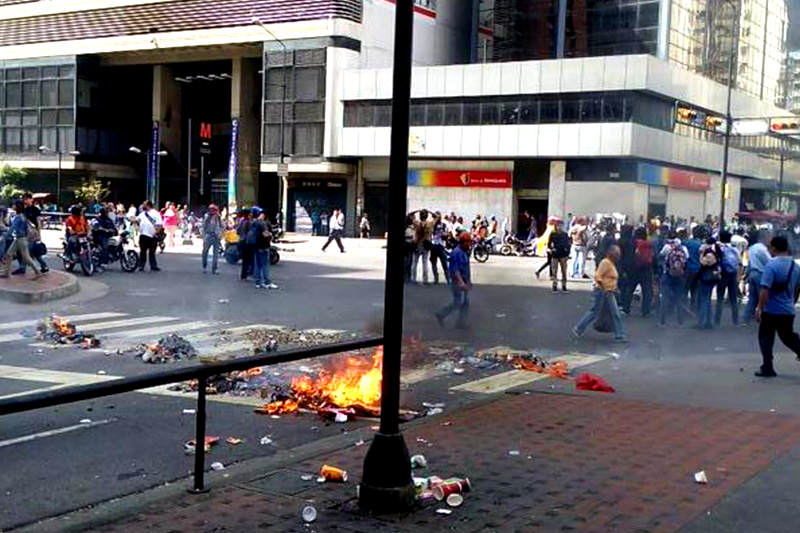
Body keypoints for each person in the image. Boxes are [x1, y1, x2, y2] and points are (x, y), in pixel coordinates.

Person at [754, 236, 800, 378]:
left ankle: (767, 367)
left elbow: (765, 290)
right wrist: (791, 303)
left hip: (771, 310)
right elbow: (798, 288)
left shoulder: (771, 266)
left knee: (765, 337)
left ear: (774, 248)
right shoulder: (795, 267)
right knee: (788, 337)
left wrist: (759, 308)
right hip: (787, 310)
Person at [572, 244, 627, 342]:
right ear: (612, 254)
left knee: (609, 312)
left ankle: (619, 334)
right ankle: (619, 334)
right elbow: (598, 276)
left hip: (609, 291)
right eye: (617, 254)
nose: (619, 256)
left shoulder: (611, 263)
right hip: (603, 291)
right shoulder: (605, 263)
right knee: (599, 312)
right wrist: (604, 287)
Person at [435, 232, 472, 329]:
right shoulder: (457, 253)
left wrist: (468, 282)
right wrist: (461, 283)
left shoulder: (463, 252)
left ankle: (461, 322)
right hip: (457, 282)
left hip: (464, 281)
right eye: (468, 242)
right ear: (463, 242)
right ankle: (441, 314)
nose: (469, 244)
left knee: (464, 303)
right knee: (458, 303)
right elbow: (456, 270)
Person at [0, 200, 42, 279]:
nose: (13, 206)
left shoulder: (18, 217)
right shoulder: (23, 216)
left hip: (20, 239)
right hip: (20, 239)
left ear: (17, 206)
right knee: (9, 254)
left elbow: (12, 228)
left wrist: (4, 237)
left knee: (26, 257)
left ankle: (37, 272)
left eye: (14, 205)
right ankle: (6, 273)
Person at [659, 233, 688, 326]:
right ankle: (680, 320)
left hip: (668, 274)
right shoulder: (684, 249)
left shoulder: (667, 247)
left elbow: (661, 255)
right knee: (679, 298)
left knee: (665, 297)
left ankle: (662, 320)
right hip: (680, 276)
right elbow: (687, 258)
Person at [743, 229, 771, 325]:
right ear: (764, 237)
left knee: (752, 298)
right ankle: (763, 318)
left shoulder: (752, 248)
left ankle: (746, 319)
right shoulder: (762, 249)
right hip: (761, 274)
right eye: (768, 237)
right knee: (763, 297)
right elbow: (769, 262)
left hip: (753, 273)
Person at [715, 230, 740, 326]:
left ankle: (717, 320)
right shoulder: (734, 249)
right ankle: (735, 320)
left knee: (720, 298)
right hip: (733, 274)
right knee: (733, 298)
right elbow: (739, 262)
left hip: (723, 275)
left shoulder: (719, 248)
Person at [249, 207, 278, 290]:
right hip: (263, 246)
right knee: (265, 265)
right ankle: (267, 282)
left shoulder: (254, 222)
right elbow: (265, 234)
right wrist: (270, 235)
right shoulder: (262, 223)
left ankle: (258, 282)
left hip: (256, 246)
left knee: (257, 265)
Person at [696, 237, 721, 329]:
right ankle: (708, 322)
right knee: (708, 300)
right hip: (713, 278)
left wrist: (702, 253)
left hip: (706, 278)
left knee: (704, 300)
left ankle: (702, 322)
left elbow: (703, 263)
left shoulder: (709, 253)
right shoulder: (717, 251)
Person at [136, 200, 162, 272]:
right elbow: (137, 220)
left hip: (152, 235)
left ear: (148, 205)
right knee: (143, 251)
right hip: (143, 235)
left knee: (152, 252)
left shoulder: (156, 213)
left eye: (144, 205)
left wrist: (156, 232)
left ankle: (153, 266)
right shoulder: (142, 214)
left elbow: (159, 224)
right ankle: (141, 265)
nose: (142, 206)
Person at [683, 226, 703, 311]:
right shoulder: (701, 244)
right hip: (698, 269)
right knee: (695, 290)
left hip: (688, 268)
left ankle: (683, 308)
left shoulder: (686, 242)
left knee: (685, 289)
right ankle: (693, 308)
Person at [411, 209, 433, 285]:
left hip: (417, 243)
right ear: (426, 216)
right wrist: (429, 211)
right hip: (425, 244)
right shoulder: (429, 224)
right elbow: (437, 217)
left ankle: (413, 279)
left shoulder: (416, 223)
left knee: (414, 263)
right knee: (425, 263)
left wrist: (417, 210)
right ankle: (425, 280)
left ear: (420, 216)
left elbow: (410, 215)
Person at [548, 218, 571, 292]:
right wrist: (551, 249)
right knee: (554, 271)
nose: (559, 227)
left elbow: (568, 245)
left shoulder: (565, 234)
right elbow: (549, 243)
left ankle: (564, 285)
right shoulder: (553, 234)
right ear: (556, 226)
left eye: (561, 225)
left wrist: (567, 254)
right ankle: (554, 285)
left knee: (564, 271)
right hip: (555, 254)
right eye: (558, 225)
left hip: (563, 255)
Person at [201, 203, 223, 275]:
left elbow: (222, 226)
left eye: (215, 210)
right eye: (212, 210)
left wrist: (220, 233)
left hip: (216, 236)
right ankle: (204, 266)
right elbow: (203, 226)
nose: (213, 211)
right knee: (205, 252)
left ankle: (214, 269)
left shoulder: (218, 217)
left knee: (216, 254)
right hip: (208, 235)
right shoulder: (207, 216)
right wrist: (203, 236)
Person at [430, 212, 450, 285]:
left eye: (438, 217)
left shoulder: (443, 225)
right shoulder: (432, 225)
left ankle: (448, 279)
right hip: (434, 245)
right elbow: (429, 233)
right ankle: (436, 278)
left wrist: (443, 235)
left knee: (444, 263)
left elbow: (446, 235)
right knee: (433, 263)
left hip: (440, 246)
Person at [237, 208, 253, 280]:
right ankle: (245, 275)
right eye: (250, 213)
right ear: (248, 214)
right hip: (247, 242)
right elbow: (250, 233)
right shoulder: (249, 222)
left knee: (245, 260)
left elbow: (237, 231)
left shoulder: (241, 221)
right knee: (248, 260)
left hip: (241, 241)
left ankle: (243, 275)